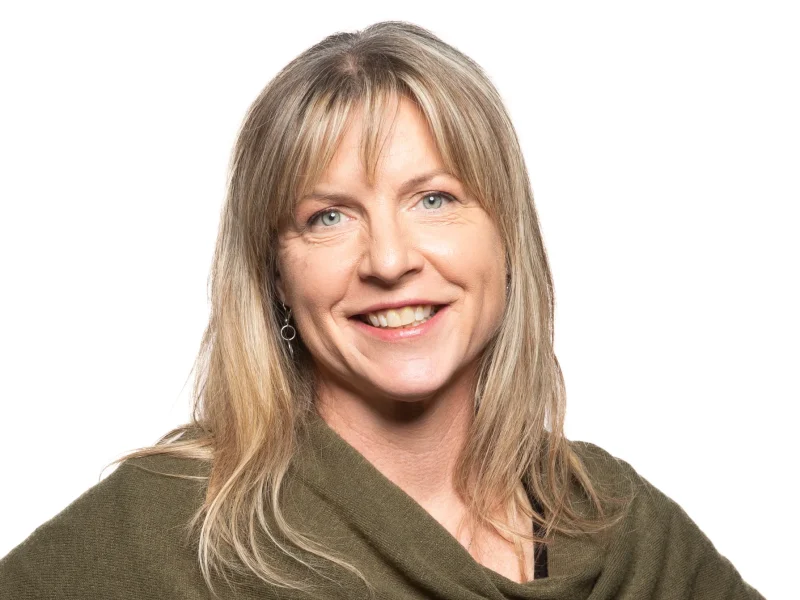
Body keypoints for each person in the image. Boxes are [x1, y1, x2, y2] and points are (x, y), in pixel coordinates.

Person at [0, 20, 764, 600]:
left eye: (434, 199)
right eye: (328, 216)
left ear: (507, 237)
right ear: (273, 271)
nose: (391, 260)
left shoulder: (616, 522)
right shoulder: (165, 534)